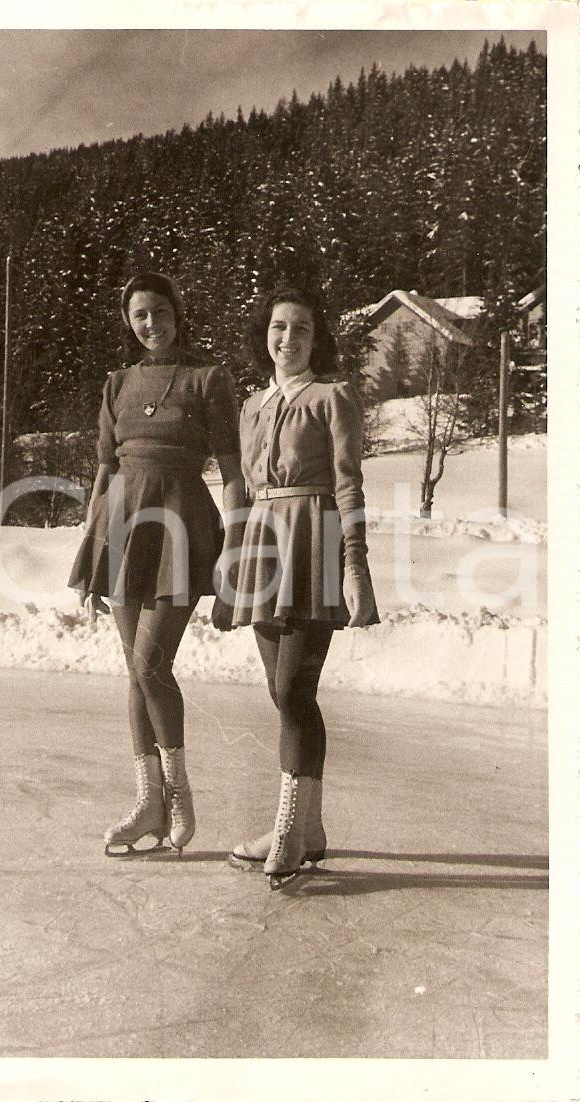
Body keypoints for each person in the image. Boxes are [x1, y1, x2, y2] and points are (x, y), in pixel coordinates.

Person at [68, 271, 244, 856]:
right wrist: (90, 549)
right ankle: (148, 804)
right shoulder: (116, 383)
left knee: (150, 665)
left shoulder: (208, 379)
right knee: (135, 673)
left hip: (180, 524)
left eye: (160, 312)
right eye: (140, 314)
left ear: (177, 312)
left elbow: (233, 468)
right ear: (129, 319)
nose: (151, 324)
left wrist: (237, 546)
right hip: (120, 527)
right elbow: (103, 470)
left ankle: (178, 793)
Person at [226, 286, 379, 889]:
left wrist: (355, 564)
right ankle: (309, 829)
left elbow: (349, 486)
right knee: (281, 693)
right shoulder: (251, 406)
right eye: (279, 327)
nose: (288, 339)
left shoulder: (331, 397)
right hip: (265, 548)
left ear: (318, 339)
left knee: (294, 690)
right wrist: (231, 565)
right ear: (264, 334)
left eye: (302, 330)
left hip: (314, 543)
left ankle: (290, 825)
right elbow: (241, 490)